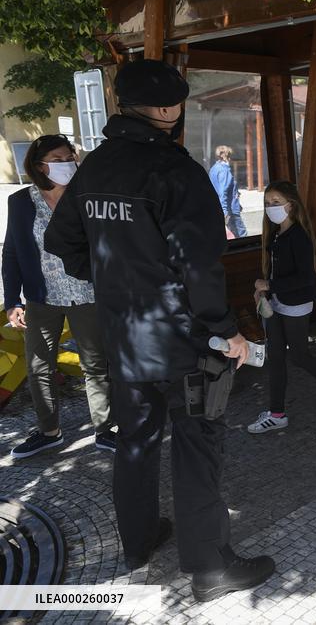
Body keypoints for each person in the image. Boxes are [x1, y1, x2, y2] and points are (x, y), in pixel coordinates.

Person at [44, 58, 274, 602]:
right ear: (170, 109)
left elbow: (62, 243)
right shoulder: (176, 171)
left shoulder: (94, 168)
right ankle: (211, 568)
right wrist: (227, 330)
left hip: (124, 336)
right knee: (197, 443)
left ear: (123, 104)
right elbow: (199, 265)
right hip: (183, 339)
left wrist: (116, 280)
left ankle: (139, 541)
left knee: (136, 441)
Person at [2, 135, 115, 458]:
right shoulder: (21, 202)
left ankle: (106, 430)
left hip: (87, 293)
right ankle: (48, 431)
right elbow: (12, 252)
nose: (67, 164)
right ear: (40, 166)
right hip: (41, 297)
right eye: (58, 159)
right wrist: (13, 301)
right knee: (38, 366)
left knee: (96, 365)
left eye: (70, 158)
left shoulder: (87, 197)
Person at [247, 181, 316, 433]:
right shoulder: (275, 234)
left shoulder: (299, 236)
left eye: (276, 202)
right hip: (275, 302)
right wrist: (264, 290)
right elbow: (276, 270)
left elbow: (305, 278)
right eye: (267, 203)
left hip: (295, 304)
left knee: (299, 356)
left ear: (291, 205)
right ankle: (276, 414)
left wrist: (269, 284)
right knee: (275, 357)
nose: (270, 207)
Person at [208, 145, 247, 238]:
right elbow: (223, 192)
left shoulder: (213, 169)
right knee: (242, 235)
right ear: (228, 156)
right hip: (230, 209)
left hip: (220, 206)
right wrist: (225, 211)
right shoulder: (224, 171)